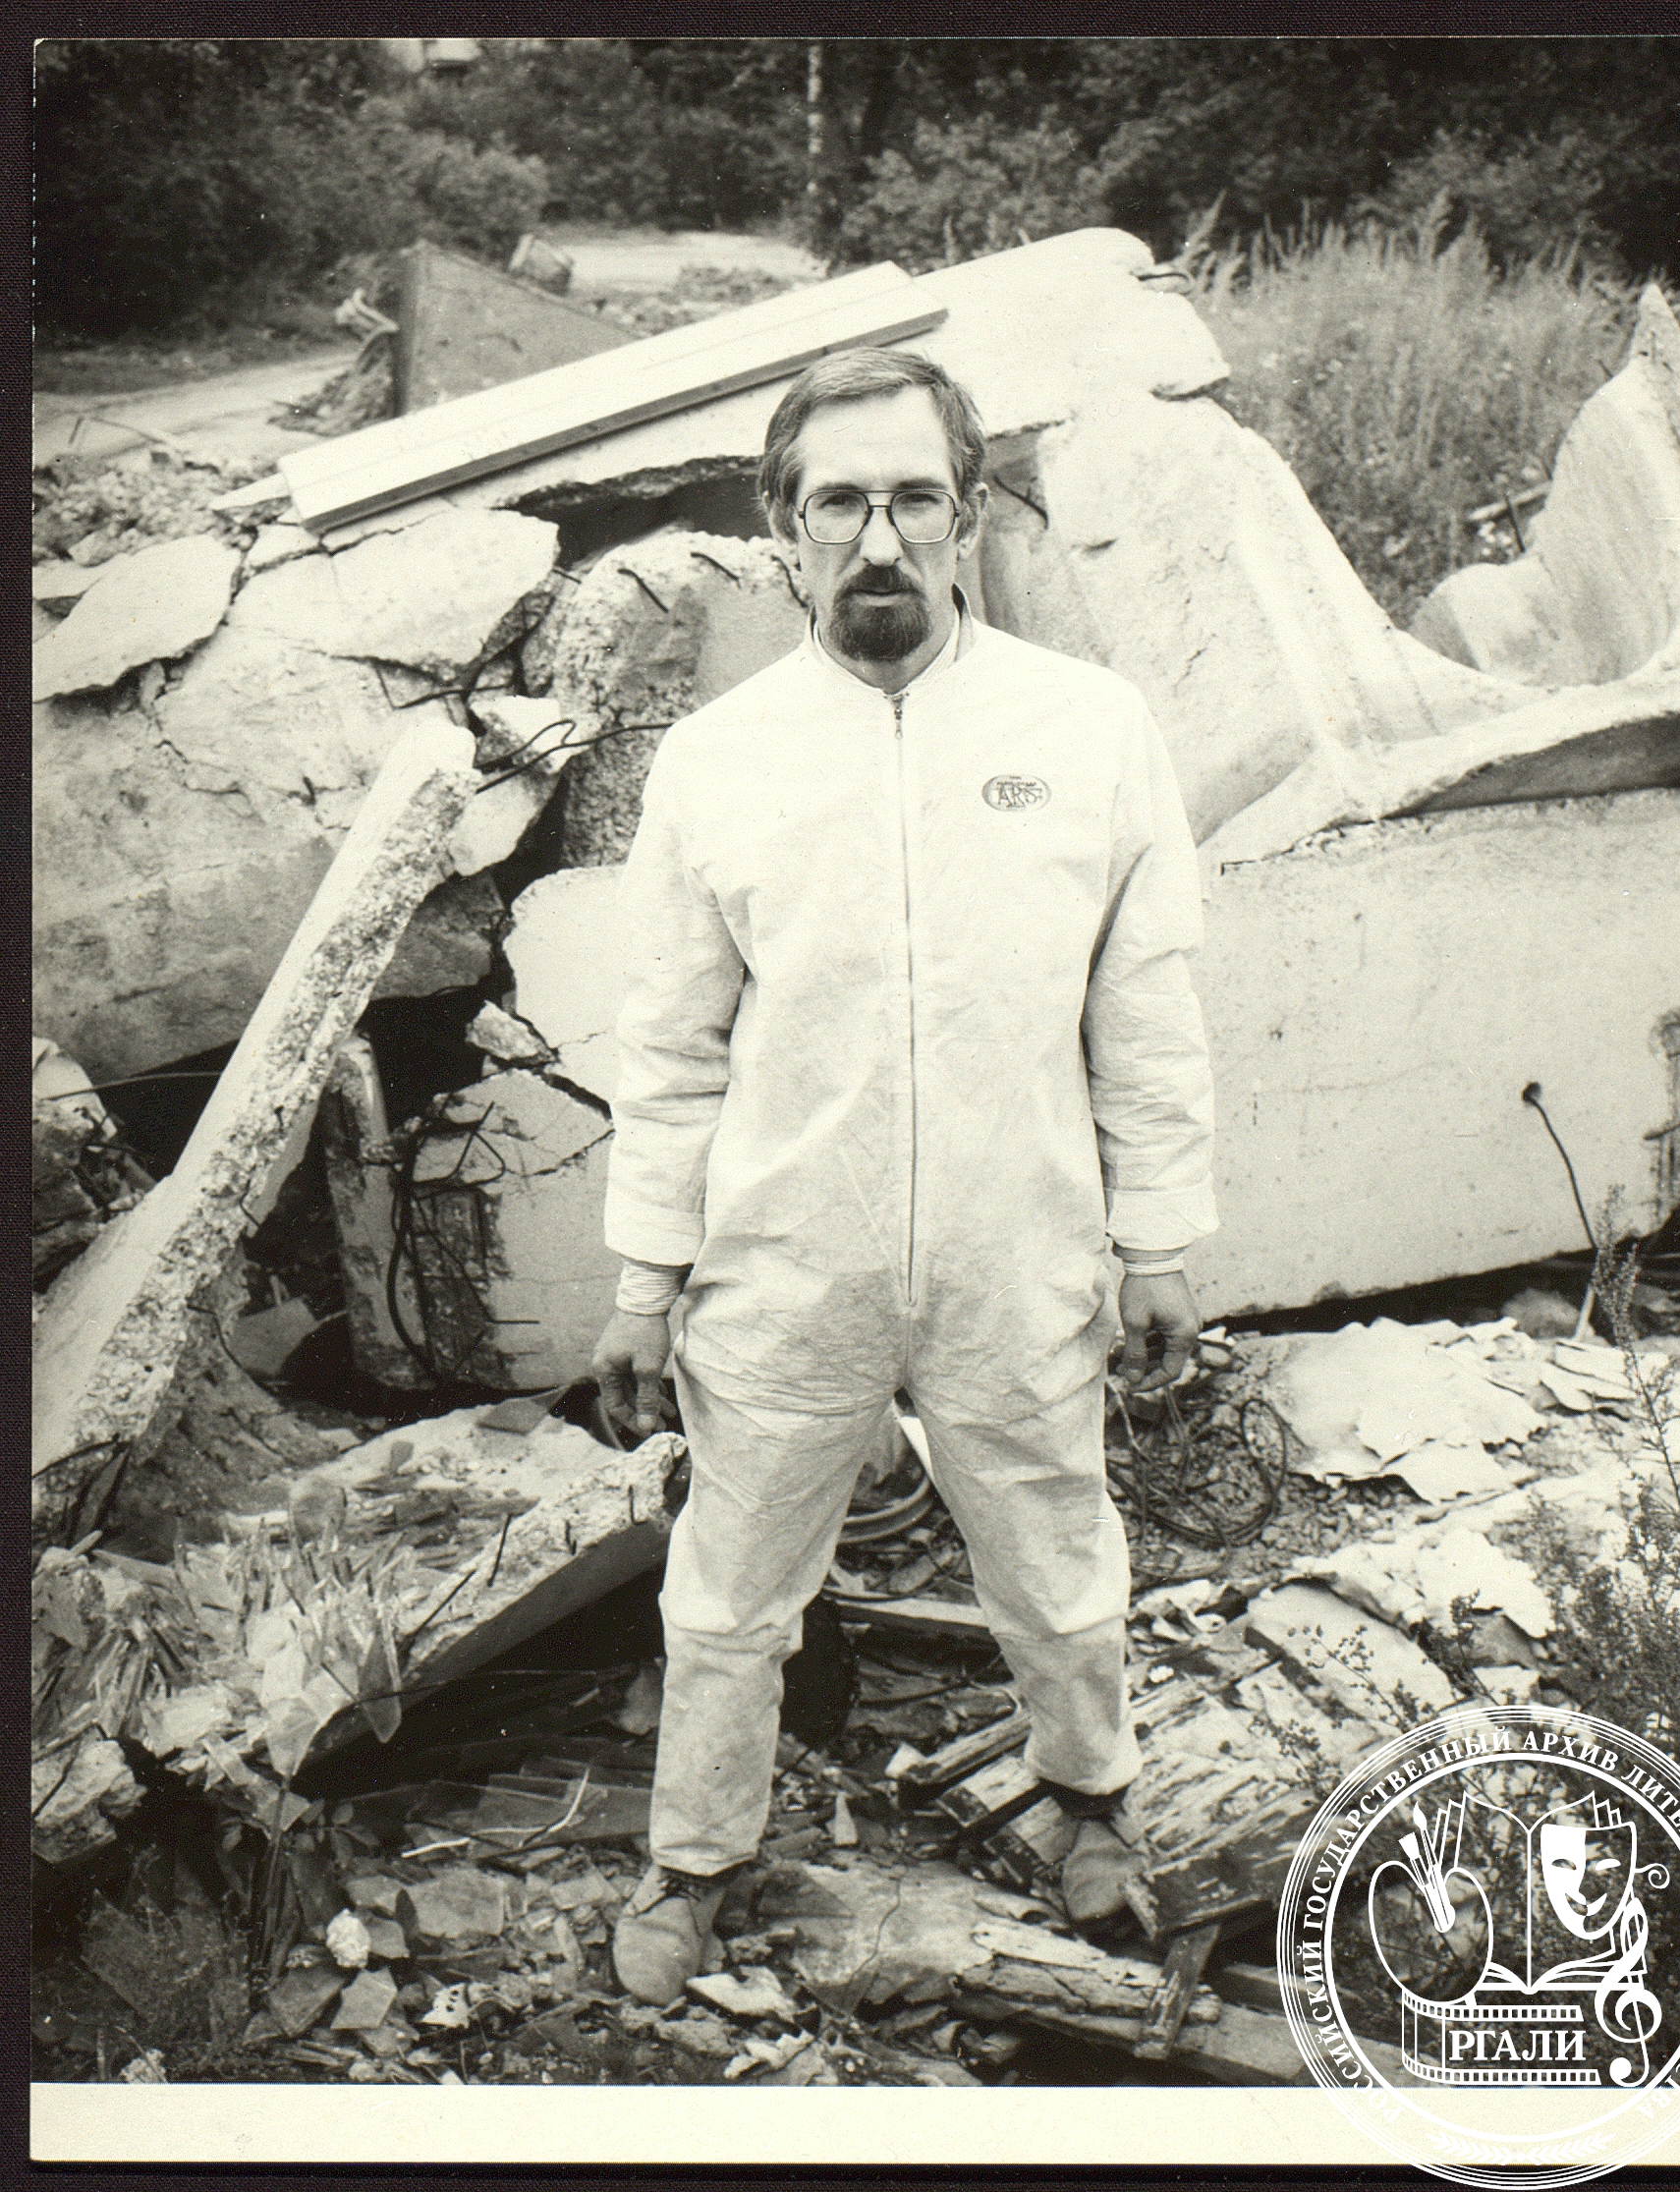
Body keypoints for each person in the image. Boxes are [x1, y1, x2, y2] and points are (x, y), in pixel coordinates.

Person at [589, 348, 1218, 2005]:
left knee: (1055, 1557)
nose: (878, 539)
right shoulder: (717, 760)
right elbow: (668, 1045)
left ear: (970, 514)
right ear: (781, 527)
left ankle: (1091, 1804)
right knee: (728, 1594)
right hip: (788, 1258)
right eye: (838, 503)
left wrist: (1156, 1238)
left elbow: (1144, 1008)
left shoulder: (1084, 728)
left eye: (914, 498)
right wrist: (646, 1279)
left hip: (1018, 1243)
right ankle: (693, 1862)